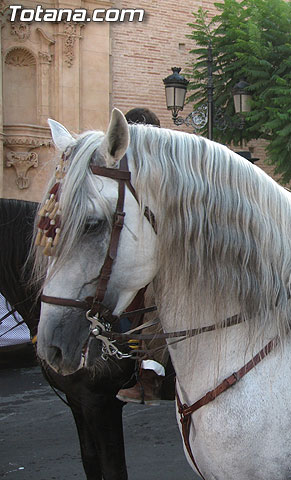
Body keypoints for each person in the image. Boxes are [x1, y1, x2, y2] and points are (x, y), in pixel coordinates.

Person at [116, 107, 166, 405]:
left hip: (167, 257)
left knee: (154, 303)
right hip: (137, 251)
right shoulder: (128, 169)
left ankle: (149, 379)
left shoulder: (162, 170)